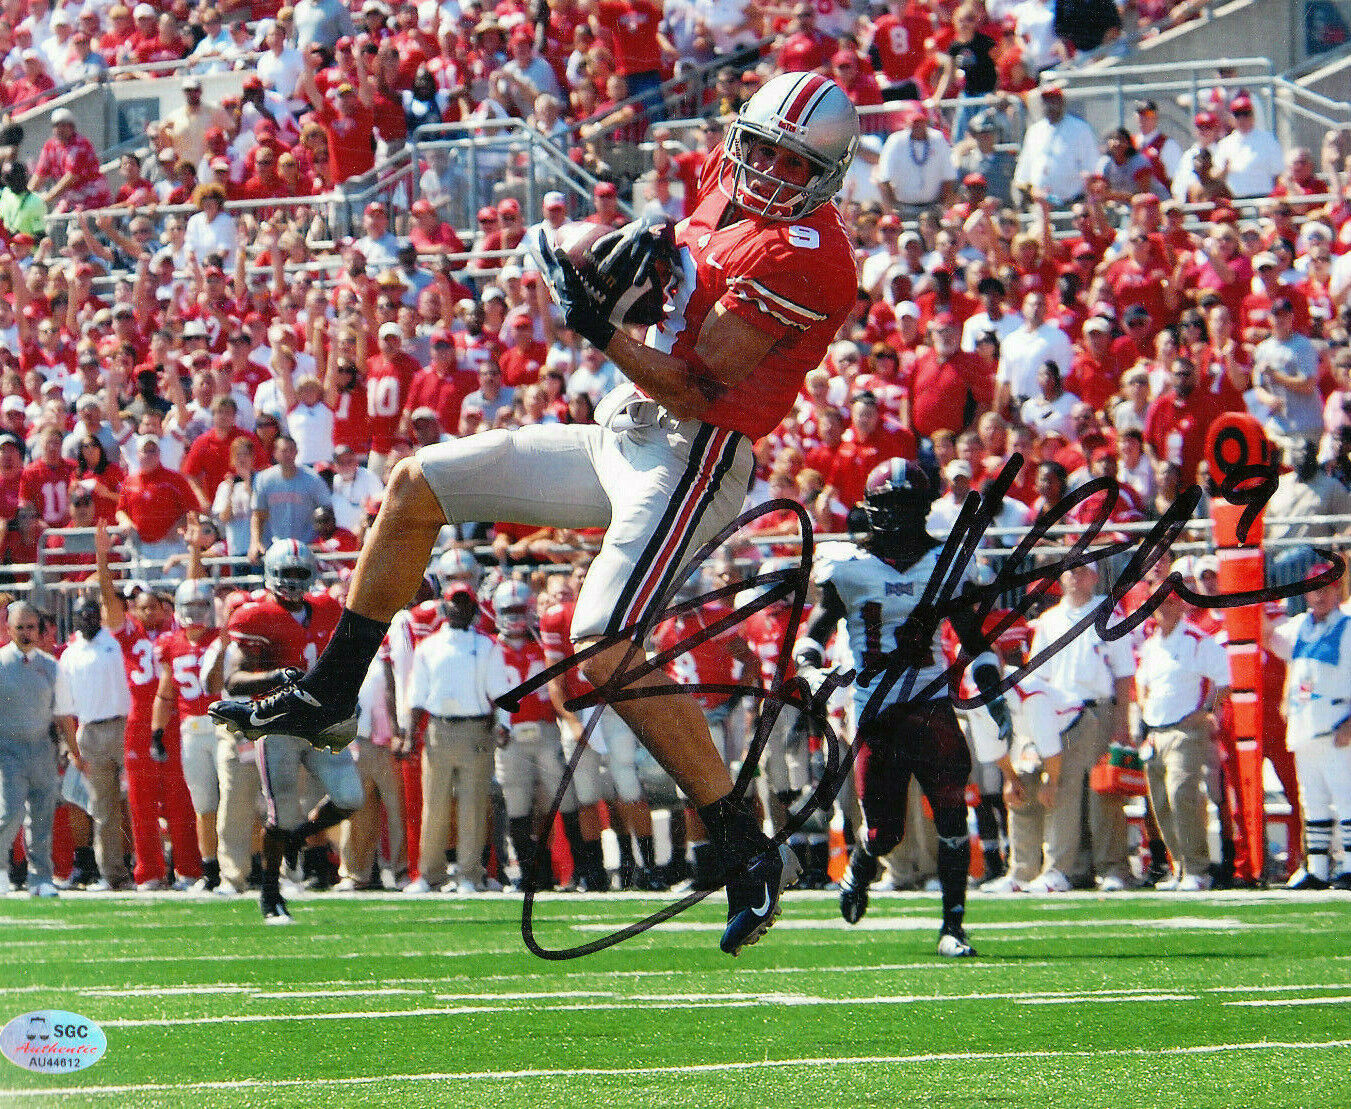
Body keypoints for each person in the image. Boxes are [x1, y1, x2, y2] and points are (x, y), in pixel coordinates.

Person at [213, 71, 862, 956]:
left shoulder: (812, 254)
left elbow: (691, 379)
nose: (767, 171)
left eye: (792, 163)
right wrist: (642, 249)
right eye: (761, 148)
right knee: (415, 485)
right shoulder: (725, 176)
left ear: (828, 173)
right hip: (624, 433)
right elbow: (682, 252)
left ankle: (745, 843)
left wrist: (597, 322)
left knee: (600, 633)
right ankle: (331, 691)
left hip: (695, 450)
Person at [792, 460, 1014, 957]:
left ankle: (952, 928)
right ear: (871, 510)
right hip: (877, 715)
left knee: (953, 814)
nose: (895, 518)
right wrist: (811, 671)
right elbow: (813, 636)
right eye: (887, 507)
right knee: (883, 831)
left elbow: (974, 640)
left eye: (905, 506)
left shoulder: (946, 561)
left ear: (923, 510)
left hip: (932, 705)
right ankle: (863, 864)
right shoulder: (846, 565)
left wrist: (992, 688)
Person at [216, 539, 364, 922]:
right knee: (281, 815)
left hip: (319, 722)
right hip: (278, 723)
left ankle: (298, 839)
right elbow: (232, 679)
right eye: (286, 574)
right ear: (270, 575)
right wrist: (276, 675)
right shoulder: (254, 616)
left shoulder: (329, 610)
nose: (293, 582)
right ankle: (270, 891)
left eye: (300, 574)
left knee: (350, 797)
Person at [1024, 561, 1136, 892]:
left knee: (1105, 793)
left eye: (1083, 570)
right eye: (1070, 571)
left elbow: (1124, 673)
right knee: (1063, 788)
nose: (1076, 577)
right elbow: (1038, 676)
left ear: (1095, 576)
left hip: (1097, 709)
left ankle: (1112, 867)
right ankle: (1062, 867)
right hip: (1059, 714)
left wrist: (1122, 723)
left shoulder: (1108, 614)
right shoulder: (1048, 621)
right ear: (1061, 577)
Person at [403, 579, 511, 894]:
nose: (460, 607)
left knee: (472, 805)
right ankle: (430, 874)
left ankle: (469, 874)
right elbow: (417, 695)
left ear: (474, 608)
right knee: (434, 804)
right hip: (438, 729)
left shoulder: (487, 645)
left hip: (476, 729)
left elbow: (500, 691)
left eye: (465, 602)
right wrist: (410, 734)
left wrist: (505, 725)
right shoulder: (429, 647)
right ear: (444, 606)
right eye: (455, 601)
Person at [1135, 589, 1231, 891]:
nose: (1162, 608)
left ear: (1180, 605)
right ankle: (1179, 866)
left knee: (1182, 794)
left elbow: (1225, 678)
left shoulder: (1196, 639)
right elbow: (1142, 685)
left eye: (1169, 602)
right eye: (1157, 603)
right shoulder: (1151, 646)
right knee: (1161, 802)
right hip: (1155, 731)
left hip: (1185, 730)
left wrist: (1207, 711)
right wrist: (1144, 715)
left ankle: (1198, 869)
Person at [1265, 564, 1351, 889]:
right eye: (1315, 587)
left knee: (1345, 798)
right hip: (1304, 728)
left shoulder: (1348, 628)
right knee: (1311, 799)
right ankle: (1317, 868)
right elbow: (1268, 639)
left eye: (1327, 587)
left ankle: (1348, 866)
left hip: (1337, 726)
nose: (1320, 594)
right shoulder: (1300, 627)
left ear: (1339, 590)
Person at [0, 601, 79, 898]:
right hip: (7, 749)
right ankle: (1, 869)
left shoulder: (51, 667)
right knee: (9, 813)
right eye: (19, 627)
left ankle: (41, 878)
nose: (25, 633)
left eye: (30, 627)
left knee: (43, 816)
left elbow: (63, 713)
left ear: (39, 630)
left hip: (41, 748)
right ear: (9, 629)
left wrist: (75, 752)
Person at [57, 594, 134, 891]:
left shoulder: (114, 642)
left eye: (91, 613)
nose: (87, 619)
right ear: (74, 618)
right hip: (89, 730)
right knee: (102, 809)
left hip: (123, 725)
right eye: (81, 615)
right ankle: (111, 874)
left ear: (98, 615)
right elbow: (65, 705)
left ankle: (150, 870)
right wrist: (74, 749)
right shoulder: (69, 654)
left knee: (135, 804)